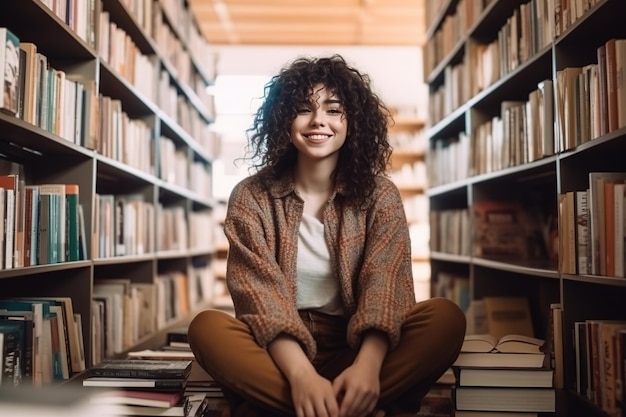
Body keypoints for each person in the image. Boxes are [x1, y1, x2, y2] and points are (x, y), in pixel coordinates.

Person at [188, 54, 466, 417]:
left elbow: (385, 284)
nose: (319, 119)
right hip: (277, 353)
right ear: (283, 119)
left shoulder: (380, 195)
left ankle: (311, 404)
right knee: (207, 327)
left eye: (334, 110)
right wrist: (302, 375)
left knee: (445, 318)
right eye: (304, 109)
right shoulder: (251, 196)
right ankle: (352, 407)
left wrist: (366, 368)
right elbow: (259, 296)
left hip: (355, 345)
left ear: (353, 122)